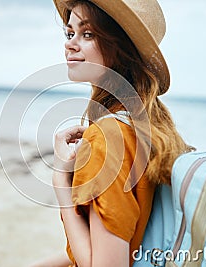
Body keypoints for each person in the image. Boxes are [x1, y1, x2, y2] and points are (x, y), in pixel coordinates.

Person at [32, 0, 192, 266]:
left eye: (88, 34)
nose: (69, 44)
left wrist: (61, 177)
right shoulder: (150, 125)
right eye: (69, 33)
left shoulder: (108, 136)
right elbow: (127, 243)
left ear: (119, 46)